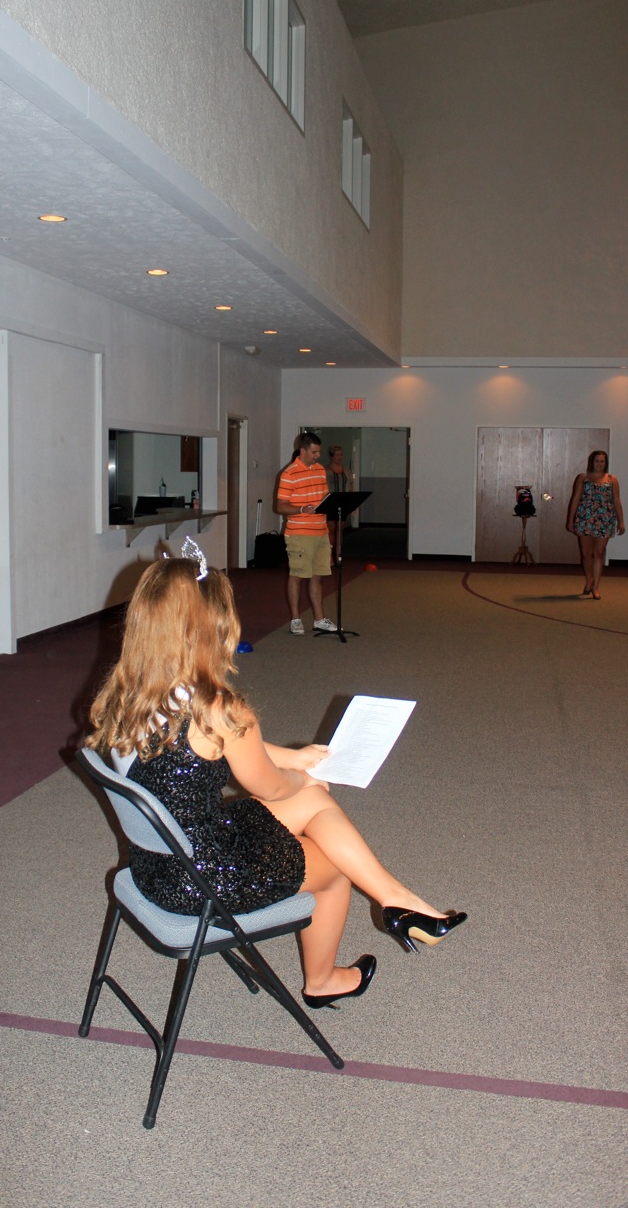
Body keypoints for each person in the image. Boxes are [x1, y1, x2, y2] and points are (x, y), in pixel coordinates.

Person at [87, 552, 466, 1009]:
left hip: (154, 863)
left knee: (316, 802)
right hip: (202, 878)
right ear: (214, 628)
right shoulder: (218, 709)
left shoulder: (127, 693)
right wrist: (302, 778)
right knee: (334, 866)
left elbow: (220, 747)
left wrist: (299, 759)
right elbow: (271, 787)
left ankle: (398, 901)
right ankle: (323, 980)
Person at [275, 430, 337, 635]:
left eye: (319, 452)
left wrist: (333, 508)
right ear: (302, 450)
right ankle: (295, 620)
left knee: (317, 577)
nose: (318, 456)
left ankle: (319, 619)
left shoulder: (320, 470)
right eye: (314, 452)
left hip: (320, 531)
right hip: (299, 533)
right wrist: (301, 509)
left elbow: (324, 498)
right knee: (297, 576)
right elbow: (280, 506)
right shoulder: (289, 474)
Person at [566, 449, 625, 599]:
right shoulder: (583, 478)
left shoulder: (612, 479)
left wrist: (621, 521)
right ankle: (588, 581)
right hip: (585, 518)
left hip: (605, 519)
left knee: (599, 553)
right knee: (586, 554)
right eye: (597, 461)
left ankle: (596, 587)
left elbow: (616, 500)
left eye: (602, 461)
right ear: (592, 462)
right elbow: (575, 498)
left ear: (606, 463)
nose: (599, 464)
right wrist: (570, 519)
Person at [325, 444, 355, 562]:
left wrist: (352, 503)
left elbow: (351, 487)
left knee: (340, 530)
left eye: (341, 454)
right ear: (332, 456)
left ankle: (338, 556)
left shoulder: (347, 470)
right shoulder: (326, 470)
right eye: (337, 455)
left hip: (343, 503)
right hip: (330, 502)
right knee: (331, 530)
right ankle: (329, 558)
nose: (339, 457)